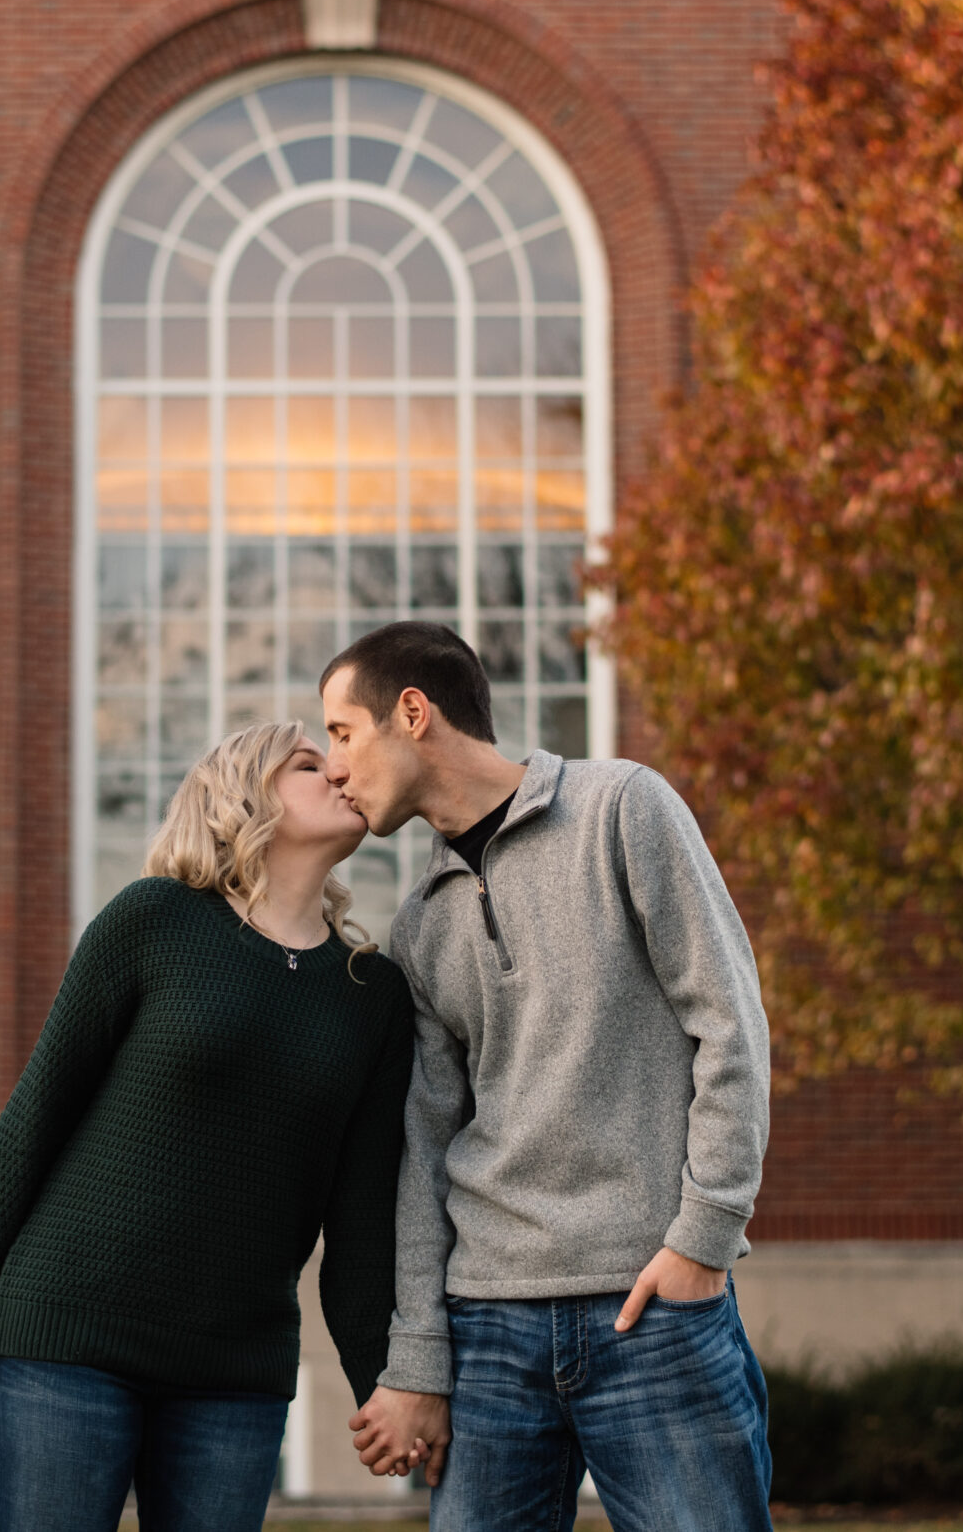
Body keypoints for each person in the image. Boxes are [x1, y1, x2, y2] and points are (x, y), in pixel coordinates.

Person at [324, 621, 776, 1528]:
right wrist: (419, 1355)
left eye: (341, 732)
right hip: (489, 1326)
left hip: (648, 1304)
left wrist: (702, 1240)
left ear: (412, 712)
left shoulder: (622, 808)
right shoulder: (419, 926)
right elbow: (425, 1149)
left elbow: (730, 1024)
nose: (333, 767)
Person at [0, 720, 416, 1532]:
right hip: (71, 1333)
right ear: (242, 795)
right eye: (308, 763)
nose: (338, 772)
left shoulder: (373, 995)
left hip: (235, 1368)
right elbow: (42, 1104)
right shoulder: (154, 919)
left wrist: (385, 1379)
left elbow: (362, 1221)